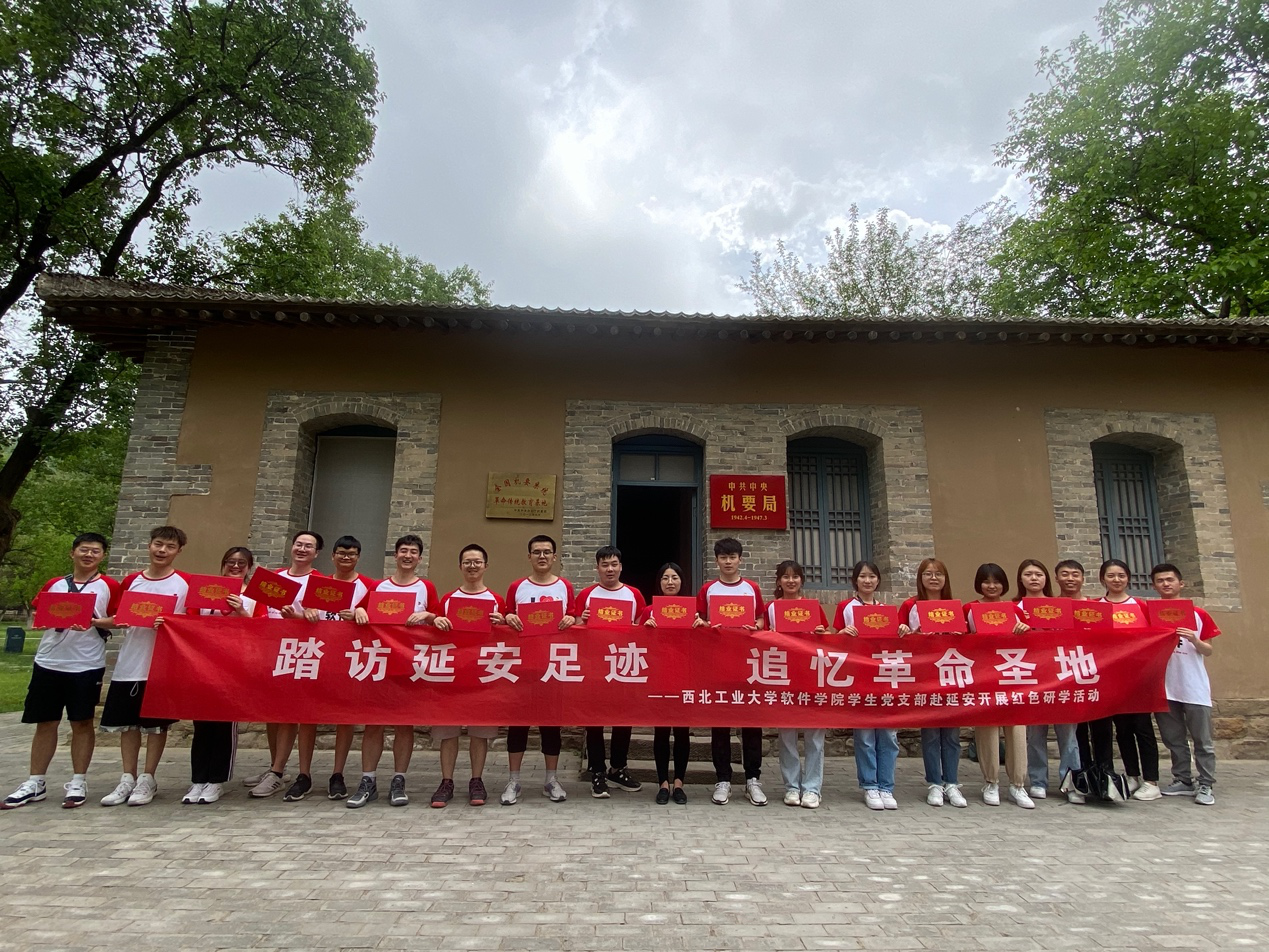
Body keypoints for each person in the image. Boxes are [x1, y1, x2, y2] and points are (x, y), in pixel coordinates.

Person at [2, 533, 121, 810]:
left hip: (86, 664)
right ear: (72, 553)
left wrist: (93, 622)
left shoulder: (109, 586)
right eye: (84, 549)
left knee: (82, 722)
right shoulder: (55, 583)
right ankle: (35, 781)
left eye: (95, 551)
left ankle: (78, 780)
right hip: (49, 661)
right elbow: (38, 613)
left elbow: (119, 619)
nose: (88, 555)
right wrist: (43, 621)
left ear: (103, 556)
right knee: (45, 722)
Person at [98, 526, 190, 806]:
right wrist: (94, 622)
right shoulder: (131, 581)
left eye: (170, 546)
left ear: (179, 551)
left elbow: (191, 623)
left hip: (161, 664)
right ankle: (127, 777)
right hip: (130, 662)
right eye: (158, 544)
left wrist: (171, 623)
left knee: (156, 726)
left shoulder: (184, 583)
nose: (162, 550)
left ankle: (148, 778)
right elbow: (116, 617)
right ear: (149, 545)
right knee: (128, 725)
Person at [347, 534, 440, 808]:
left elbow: (440, 618)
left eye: (413, 552)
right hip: (379, 664)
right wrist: (358, 613)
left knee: (404, 724)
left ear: (419, 558)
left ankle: (399, 780)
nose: (407, 556)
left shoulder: (426, 587)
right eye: (403, 551)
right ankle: (368, 780)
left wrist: (427, 616)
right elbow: (356, 613)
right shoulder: (379, 586)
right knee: (373, 723)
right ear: (395, 555)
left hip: (410, 666)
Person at [283, 535, 369, 803]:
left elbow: (375, 621)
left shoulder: (368, 587)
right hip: (316, 657)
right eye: (341, 553)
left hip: (348, 660)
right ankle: (304, 775)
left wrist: (361, 616)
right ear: (332, 556)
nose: (346, 557)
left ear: (358, 557)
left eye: (351, 554)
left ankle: (337, 774)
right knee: (308, 716)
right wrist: (302, 615)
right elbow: (311, 617)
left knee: (344, 718)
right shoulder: (318, 584)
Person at [246, 529, 325, 797]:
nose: (302, 549)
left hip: (301, 654)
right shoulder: (274, 579)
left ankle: (280, 771)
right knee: (273, 713)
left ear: (316, 553)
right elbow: (258, 613)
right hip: (270, 651)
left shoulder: (320, 582)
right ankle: (275, 767)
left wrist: (299, 618)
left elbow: (323, 622)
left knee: (292, 714)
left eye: (308, 546)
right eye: (298, 544)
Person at [500, 534, 575, 805]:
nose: (541, 556)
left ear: (554, 557)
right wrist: (509, 616)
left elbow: (575, 617)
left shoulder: (565, 586)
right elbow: (505, 617)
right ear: (529, 556)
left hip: (552, 665)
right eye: (536, 552)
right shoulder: (517, 586)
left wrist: (572, 619)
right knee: (518, 726)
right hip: (521, 666)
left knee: (551, 725)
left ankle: (551, 780)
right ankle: (514, 780)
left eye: (546, 552)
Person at [429, 544, 505, 808]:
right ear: (460, 566)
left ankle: (476, 780)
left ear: (486, 566)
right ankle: (446, 781)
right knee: (448, 732)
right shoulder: (448, 599)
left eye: (477, 562)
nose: (472, 566)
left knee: (479, 732)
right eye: (467, 562)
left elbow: (507, 634)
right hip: (452, 676)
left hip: (482, 676)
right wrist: (436, 621)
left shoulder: (496, 600)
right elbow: (433, 632)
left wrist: (502, 622)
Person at [184, 546, 260, 805]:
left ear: (249, 567)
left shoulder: (253, 596)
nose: (235, 567)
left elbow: (263, 631)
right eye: (230, 562)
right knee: (201, 724)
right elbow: (188, 623)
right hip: (203, 666)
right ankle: (198, 779)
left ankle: (217, 780)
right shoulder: (204, 591)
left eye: (241, 563)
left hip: (234, 668)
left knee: (224, 726)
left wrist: (241, 611)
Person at [696, 537, 767, 807]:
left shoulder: (751, 588)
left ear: (740, 559)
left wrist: (755, 627)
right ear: (716, 560)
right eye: (723, 557)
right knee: (721, 723)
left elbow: (761, 619)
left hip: (749, 665)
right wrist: (706, 626)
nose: (728, 562)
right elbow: (698, 620)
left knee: (751, 724)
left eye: (732, 557)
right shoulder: (708, 589)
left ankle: (752, 779)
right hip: (719, 664)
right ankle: (723, 779)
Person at [575, 545, 646, 799]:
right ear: (597, 568)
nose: (610, 569)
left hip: (623, 664)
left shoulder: (634, 594)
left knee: (623, 719)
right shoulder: (587, 594)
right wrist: (581, 621)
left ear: (621, 567)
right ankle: (597, 771)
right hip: (594, 666)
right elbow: (574, 627)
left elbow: (642, 627)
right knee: (594, 721)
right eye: (604, 565)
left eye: (614, 564)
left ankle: (617, 768)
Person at [964, 563, 1034, 809]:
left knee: (1017, 730)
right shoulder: (969, 610)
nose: (991, 586)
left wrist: (1025, 630)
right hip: (984, 677)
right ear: (979, 584)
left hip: (1012, 677)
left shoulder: (1015, 610)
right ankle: (991, 782)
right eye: (986, 581)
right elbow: (958, 640)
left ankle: (1018, 785)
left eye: (997, 581)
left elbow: (1033, 641)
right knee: (987, 730)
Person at [899, 557, 967, 808]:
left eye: (938, 574)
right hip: (925, 676)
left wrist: (960, 636)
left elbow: (969, 640)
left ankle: (952, 783)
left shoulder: (955, 606)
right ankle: (935, 784)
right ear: (920, 578)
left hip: (950, 674)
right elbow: (898, 637)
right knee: (930, 734)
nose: (933, 578)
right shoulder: (910, 605)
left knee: (951, 735)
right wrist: (911, 634)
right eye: (928, 573)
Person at [1150, 563, 1219, 806]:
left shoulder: (1198, 614)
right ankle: (1182, 779)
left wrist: (1194, 639)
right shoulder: (1150, 614)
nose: (1165, 584)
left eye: (1170, 579)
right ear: (1154, 586)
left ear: (1181, 583)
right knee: (1174, 739)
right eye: (1160, 581)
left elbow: (1208, 650)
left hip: (1194, 687)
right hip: (1165, 687)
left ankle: (1206, 783)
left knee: (1203, 741)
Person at [835, 560, 900, 812]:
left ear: (878, 580)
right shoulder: (846, 607)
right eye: (862, 576)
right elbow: (834, 641)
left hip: (885, 677)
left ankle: (887, 786)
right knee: (864, 737)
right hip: (859, 678)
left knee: (888, 736)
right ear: (855, 580)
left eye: (872, 576)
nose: (868, 581)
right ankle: (870, 785)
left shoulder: (887, 610)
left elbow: (896, 643)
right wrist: (843, 634)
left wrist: (902, 629)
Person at [1015, 558, 1080, 803]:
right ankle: (1038, 781)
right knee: (1035, 735)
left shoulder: (1061, 606)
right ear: (1021, 579)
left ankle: (1070, 783)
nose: (1034, 578)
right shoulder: (1015, 608)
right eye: (1028, 574)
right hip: (1031, 678)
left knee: (1068, 736)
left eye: (1038, 574)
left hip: (1061, 676)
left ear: (1046, 579)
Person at [1099, 558, 1163, 801]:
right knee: (1123, 729)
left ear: (1128, 578)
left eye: (1121, 575)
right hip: (1111, 677)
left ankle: (1151, 781)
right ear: (1102, 579)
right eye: (1111, 575)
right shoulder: (1095, 608)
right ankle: (1132, 775)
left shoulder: (1141, 607)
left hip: (1140, 677)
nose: (1116, 580)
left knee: (1143, 728)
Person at [767, 560, 829, 809]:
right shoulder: (771, 608)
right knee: (787, 736)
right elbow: (758, 636)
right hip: (783, 677)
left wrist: (821, 632)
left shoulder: (813, 608)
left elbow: (828, 638)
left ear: (802, 580)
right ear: (778, 581)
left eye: (795, 576)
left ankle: (812, 789)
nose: (790, 581)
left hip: (811, 676)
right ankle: (792, 787)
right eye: (785, 576)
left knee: (815, 737)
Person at [1059, 559, 1115, 803]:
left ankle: (1105, 779)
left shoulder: (1097, 607)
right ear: (1057, 578)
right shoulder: (1050, 608)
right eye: (1065, 574)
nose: (1070, 579)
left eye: (1075, 574)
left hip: (1095, 676)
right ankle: (1079, 780)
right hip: (1065, 677)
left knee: (1102, 729)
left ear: (1083, 578)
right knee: (1076, 733)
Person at [643, 562, 691, 805]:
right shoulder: (648, 611)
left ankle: (679, 783)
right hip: (658, 678)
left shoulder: (692, 610)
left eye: (674, 577)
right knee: (661, 732)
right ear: (659, 582)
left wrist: (699, 627)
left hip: (684, 678)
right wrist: (645, 629)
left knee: (682, 732)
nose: (670, 582)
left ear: (682, 581)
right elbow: (635, 642)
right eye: (665, 578)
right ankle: (662, 783)